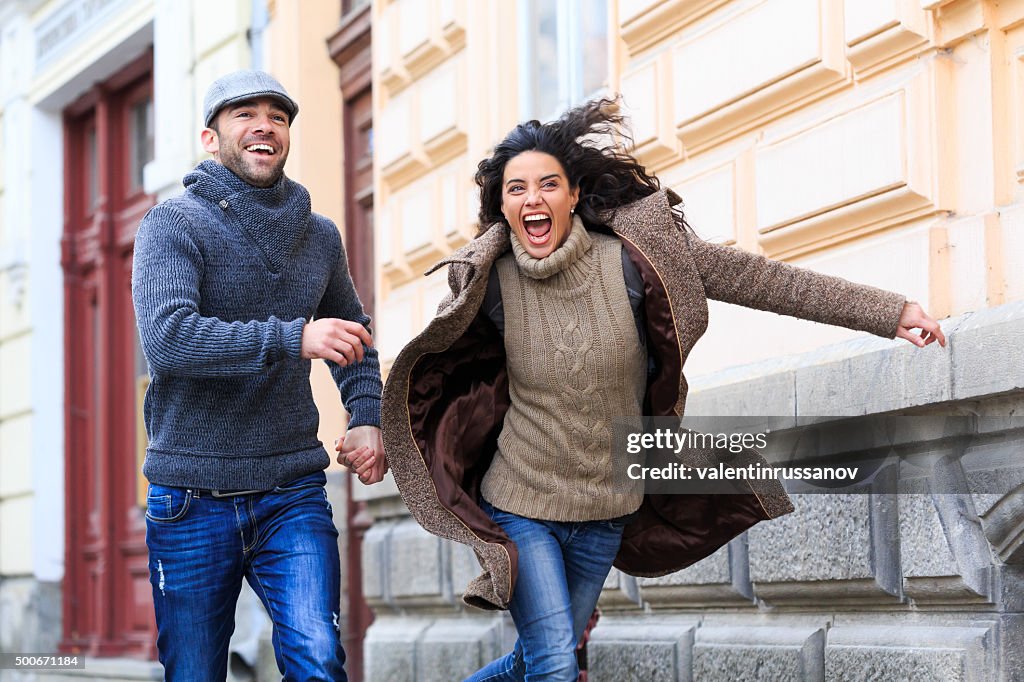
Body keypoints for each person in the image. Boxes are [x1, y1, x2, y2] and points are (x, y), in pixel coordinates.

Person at [380, 97, 946, 682]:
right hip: (522, 502)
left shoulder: (636, 261)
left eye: (548, 184)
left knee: (534, 658)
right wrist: (374, 431)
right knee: (554, 663)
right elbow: (424, 371)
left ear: (574, 194)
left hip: (607, 509)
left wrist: (889, 311)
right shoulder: (489, 283)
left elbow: (758, 278)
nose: (533, 199)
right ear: (502, 205)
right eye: (517, 189)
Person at [131, 70, 386, 681]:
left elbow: (354, 337)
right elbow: (169, 340)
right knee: (194, 672)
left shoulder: (319, 236)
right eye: (244, 114)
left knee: (319, 662)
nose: (263, 125)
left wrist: (367, 417)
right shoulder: (172, 225)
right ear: (210, 136)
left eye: (277, 115)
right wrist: (290, 338)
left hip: (290, 490)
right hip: (189, 496)